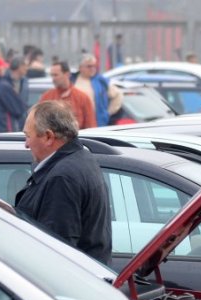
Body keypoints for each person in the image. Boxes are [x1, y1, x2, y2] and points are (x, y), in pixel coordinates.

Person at [15, 101, 112, 264]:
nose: (26, 144)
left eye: (28, 136)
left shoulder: (62, 177)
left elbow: (57, 251)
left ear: (48, 137)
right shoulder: (82, 159)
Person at [39, 61, 96, 129]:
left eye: (56, 75)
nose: (53, 79)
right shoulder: (46, 97)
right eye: (52, 75)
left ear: (67, 74)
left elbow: (91, 126)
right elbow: (39, 124)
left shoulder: (82, 98)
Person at [73, 54, 122, 127]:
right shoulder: (72, 80)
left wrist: (107, 113)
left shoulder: (101, 81)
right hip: (76, 123)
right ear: (80, 67)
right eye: (89, 66)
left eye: (94, 66)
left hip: (97, 123)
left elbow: (118, 95)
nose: (92, 68)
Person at [6, 57, 30, 126]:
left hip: (23, 121)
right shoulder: (4, 82)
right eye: (25, 66)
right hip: (10, 123)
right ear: (19, 67)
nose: (27, 68)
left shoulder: (25, 81)